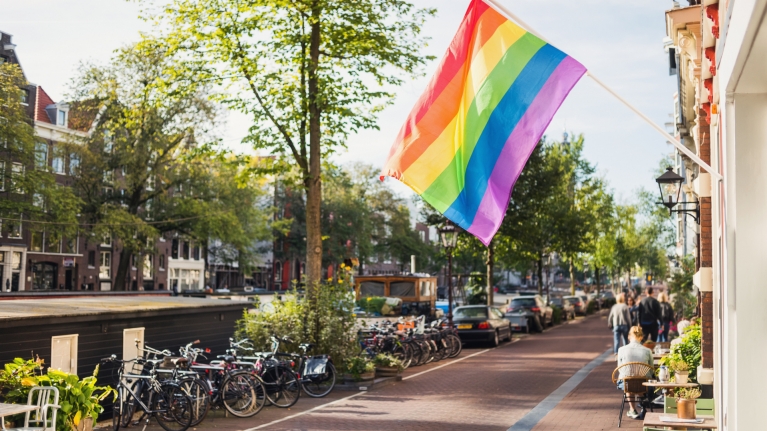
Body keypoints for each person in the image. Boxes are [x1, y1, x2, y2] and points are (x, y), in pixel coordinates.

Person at [617, 326, 654, 419]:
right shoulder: (648, 351)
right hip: (643, 384)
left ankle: (632, 409)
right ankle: (643, 404)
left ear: (629, 336)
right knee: (643, 380)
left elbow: (619, 369)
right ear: (641, 337)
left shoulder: (621, 350)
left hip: (627, 384)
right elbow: (652, 369)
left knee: (627, 378)